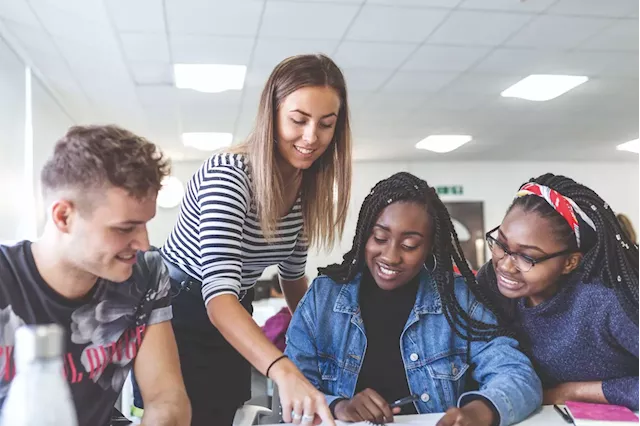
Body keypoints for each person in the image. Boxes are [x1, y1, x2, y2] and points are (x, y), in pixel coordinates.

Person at [157, 53, 352, 426]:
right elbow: (217, 298)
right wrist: (282, 370)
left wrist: (319, 348)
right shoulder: (229, 177)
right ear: (272, 114)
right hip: (176, 314)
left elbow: (293, 277)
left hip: (233, 309)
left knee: (230, 412)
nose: (311, 138)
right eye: (298, 120)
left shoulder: (305, 183)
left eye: (326, 124)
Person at [286, 172, 542, 426]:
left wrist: (478, 412)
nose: (390, 256)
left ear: (430, 247)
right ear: (365, 234)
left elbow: (516, 374)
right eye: (380, 238)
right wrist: (339, 406)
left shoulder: (459, 299)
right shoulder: (324, 296)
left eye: (409, 245)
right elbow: (293, 384)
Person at [0, 125, 191, 426]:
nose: (142, 243)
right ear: (64, 216)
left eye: (145, 224)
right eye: (124, 228)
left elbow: (166, 398)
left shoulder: (147, 273)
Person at [477, 173, 640, 409]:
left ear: (570, 263)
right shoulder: (491, 283)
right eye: (501, 244)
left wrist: (571, 392)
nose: (505, 265)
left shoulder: (607, 301)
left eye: (527, 257)